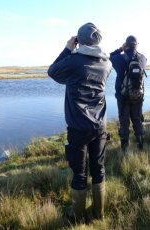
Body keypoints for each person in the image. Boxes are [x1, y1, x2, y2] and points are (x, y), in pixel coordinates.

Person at [47, 23, 112, 220]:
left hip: (78, 126)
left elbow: (52, 71)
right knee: (98, 168)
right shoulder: (107, 63)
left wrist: (68, 48)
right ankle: (98, 214)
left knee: (79, 172)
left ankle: (77, 216)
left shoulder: (74, 61)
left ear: (80, 40)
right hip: (99, 125)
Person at [109, 36, 147, 150]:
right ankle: (140, 147)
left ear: (126, 45)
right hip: (138, 95)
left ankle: (124, 149)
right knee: (137, 120)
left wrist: (120, 49)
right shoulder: (143, 58)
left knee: (124, 121)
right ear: (136, 45)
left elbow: (109, 57)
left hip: (122, 96)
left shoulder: (119, 58)